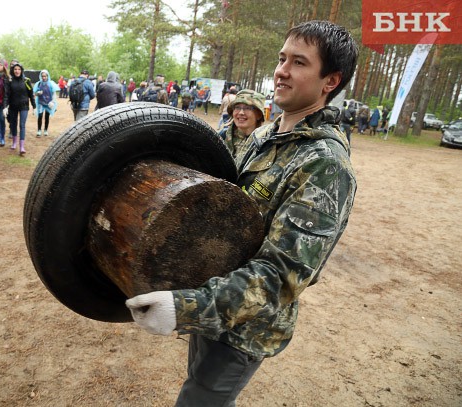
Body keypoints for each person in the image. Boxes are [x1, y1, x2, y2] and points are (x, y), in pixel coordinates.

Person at [125, 20, 358, 405]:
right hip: (212, 295)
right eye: (282, 58)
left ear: (329, 81)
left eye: (299, 62)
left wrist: (184, 307)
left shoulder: (324, 164)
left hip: (247, 328)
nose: (281, 70)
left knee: (198, 400)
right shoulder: (265, 136)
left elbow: (280, 278)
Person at [219, 89, 265, 158]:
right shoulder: (222, 136)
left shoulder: (265, 143)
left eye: (247, 108)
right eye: (237, 107)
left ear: (259, 115)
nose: (241, 112)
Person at [4, 61, 35, 155]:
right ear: (13, 71)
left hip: (24, 106)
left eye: (19, 69)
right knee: (13, 124)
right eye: (15, 69)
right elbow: (6, 95)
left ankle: (21, 146)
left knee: (22, 125)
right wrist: (5, 107)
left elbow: (31, 94)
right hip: (13, 106)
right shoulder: (9, 81)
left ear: (22, 70)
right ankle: (14, 142)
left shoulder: (26, 81)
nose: (17, 71)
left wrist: (34, 106)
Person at [33, 69, 57, 137]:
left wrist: (53, 101)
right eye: (42, 76)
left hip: (48, 103)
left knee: (47, 117)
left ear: (47, 76)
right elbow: (35, 93)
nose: (44, 77)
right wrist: (38, 93)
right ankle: (39, 130)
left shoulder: (51, 84)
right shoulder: (39, 84)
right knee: (40, 116)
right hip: (40, 102)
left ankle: (46, 130)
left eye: (45, 76)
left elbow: (54, 94)